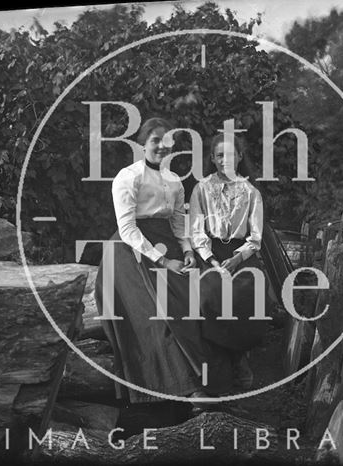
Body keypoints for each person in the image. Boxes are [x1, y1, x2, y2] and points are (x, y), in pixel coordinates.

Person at [94, 117, 234, 406]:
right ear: (142, 144)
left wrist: (186, 251)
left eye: (166, 140)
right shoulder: (128, 177)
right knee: (161, 308)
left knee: (209, 290)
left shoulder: (174, 180)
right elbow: (127, 228)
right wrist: (163, 261)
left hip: (168, 243)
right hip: (128, 250)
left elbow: (178, 223)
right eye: (154, 140)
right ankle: (188, 387)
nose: (161, 145)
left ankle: (223, 377)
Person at [189, 133, 270, 390]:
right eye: (220, 155)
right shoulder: (201, 188)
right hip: (211, 253)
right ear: (213, 159)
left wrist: (239, 258)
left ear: (240, 157)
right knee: (211, 293)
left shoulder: (251, 192)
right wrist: (211, 259)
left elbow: (256, 236)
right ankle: (221, 360)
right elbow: (196, 230)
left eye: (231, 154)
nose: (226, 159)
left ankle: (239, 356)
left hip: (241, 253)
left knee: (250, 291)